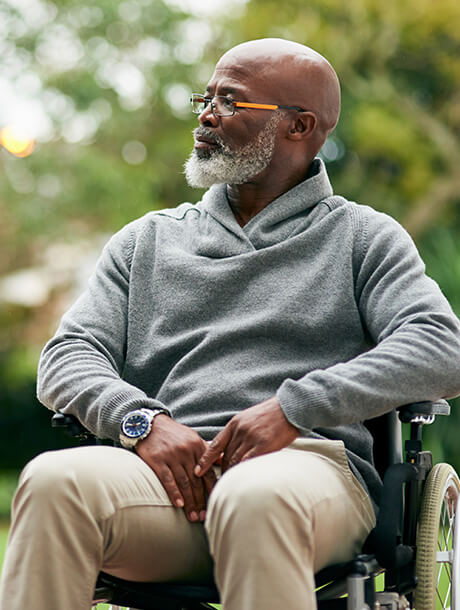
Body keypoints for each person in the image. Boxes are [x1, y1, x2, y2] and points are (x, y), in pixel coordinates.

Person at [1, 38, 460, 610]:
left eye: (230, 101)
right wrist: (139, 420)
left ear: (300, 126)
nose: (206, 114)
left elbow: (443, 348)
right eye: (207, 96)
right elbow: (68, 354)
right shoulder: (148, 240)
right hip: (172, 482)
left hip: (308, 473)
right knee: (53, 482)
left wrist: (294, 408)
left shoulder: (362, 238)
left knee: (255, 496)